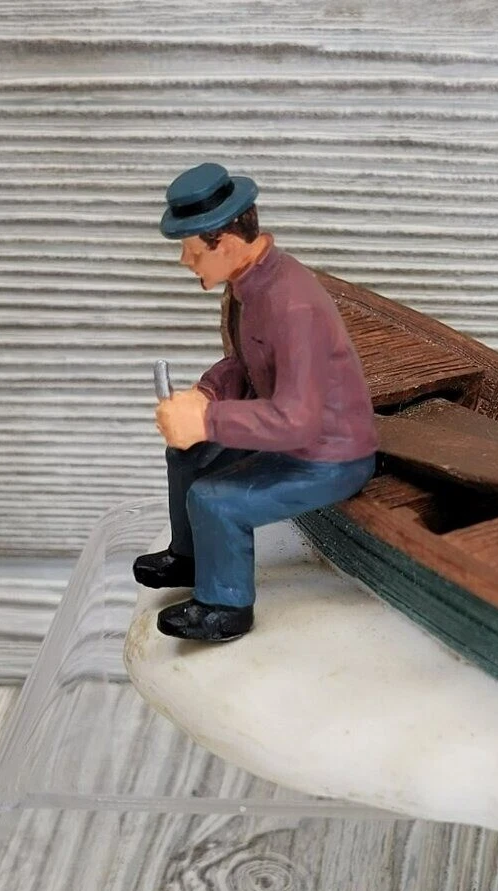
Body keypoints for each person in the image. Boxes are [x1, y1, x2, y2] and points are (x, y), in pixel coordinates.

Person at [133, 162, 378, 641]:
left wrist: (208, 419)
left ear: (224, 244)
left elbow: (298, 420)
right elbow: (244, 365)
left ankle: (224, 606)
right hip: (287, 436)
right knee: (187, 455)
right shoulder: (247, 287)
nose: (185, 261)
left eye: (191, 250)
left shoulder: (292, 304)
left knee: (215, 500)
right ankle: (190, 557)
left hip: (330, 455)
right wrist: (206, 394)